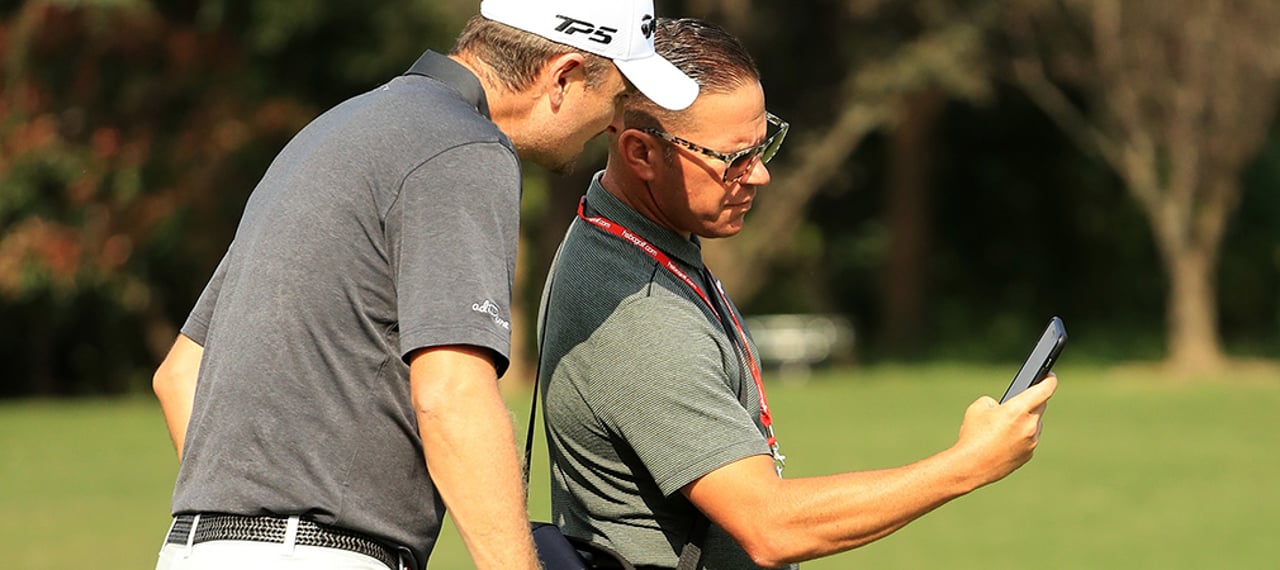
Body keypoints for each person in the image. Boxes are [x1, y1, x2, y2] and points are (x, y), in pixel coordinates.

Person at [149, 2, 698, 569]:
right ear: (563, 77)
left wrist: (253, 529)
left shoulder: (335, 130)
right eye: (615, 99)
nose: (613, 124)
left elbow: (181, 373)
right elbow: (452, 394)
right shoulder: (465, 147)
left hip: (202, 548)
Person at [536, 18, 1058, 570]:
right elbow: (770, 526)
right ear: (641, 153)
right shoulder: (638, 318)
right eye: (734, 158)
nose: (758, 176)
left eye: (765, 146)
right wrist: (967, 463)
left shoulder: (623, 233)